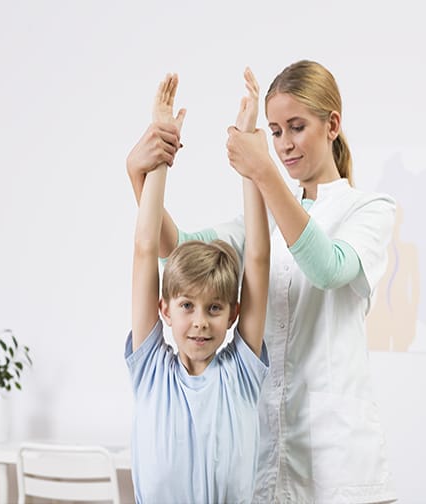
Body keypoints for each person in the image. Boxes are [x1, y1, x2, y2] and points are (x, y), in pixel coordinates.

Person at [131, 60, 397, 503]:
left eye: (296, 127)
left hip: (338, 462)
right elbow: (176, 248)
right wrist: (140, 173)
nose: (284, 144)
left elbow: (327, 267)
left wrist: (262, 172)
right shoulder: (265, 214)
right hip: (266, 461)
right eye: (274, 132)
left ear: (332, 125)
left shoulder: (368, 209)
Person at [124, 69, 270, 503]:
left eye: (214, 309)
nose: (200, 322)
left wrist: (249, 164)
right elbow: (145, 247)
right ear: (164, 309)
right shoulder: (151, 372)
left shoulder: (241, 375)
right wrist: (160, 157)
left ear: (234, 313)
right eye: (187, 306)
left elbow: (258, 260)